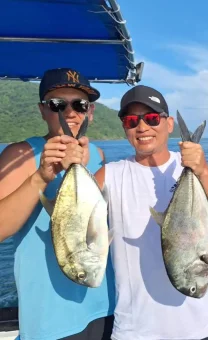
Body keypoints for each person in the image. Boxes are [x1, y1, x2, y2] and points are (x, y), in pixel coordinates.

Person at [92, 85, 208, 340]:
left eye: (152, 118)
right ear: (125, 128)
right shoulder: (110, 174)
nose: (142, 127)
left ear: (168, 124)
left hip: (200, 326)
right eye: (132, 121)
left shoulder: (192, 166)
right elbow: (73, 216)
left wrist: (202, 170)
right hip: (135, 331)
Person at [0, 68, 115, 339]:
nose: (70, 112)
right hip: (51, 317)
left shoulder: (97, 154)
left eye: (79, 104)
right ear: (42, 110)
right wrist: (42, 176)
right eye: (57, 104)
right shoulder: (21, 153)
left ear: (90, 112)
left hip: (105, 302)